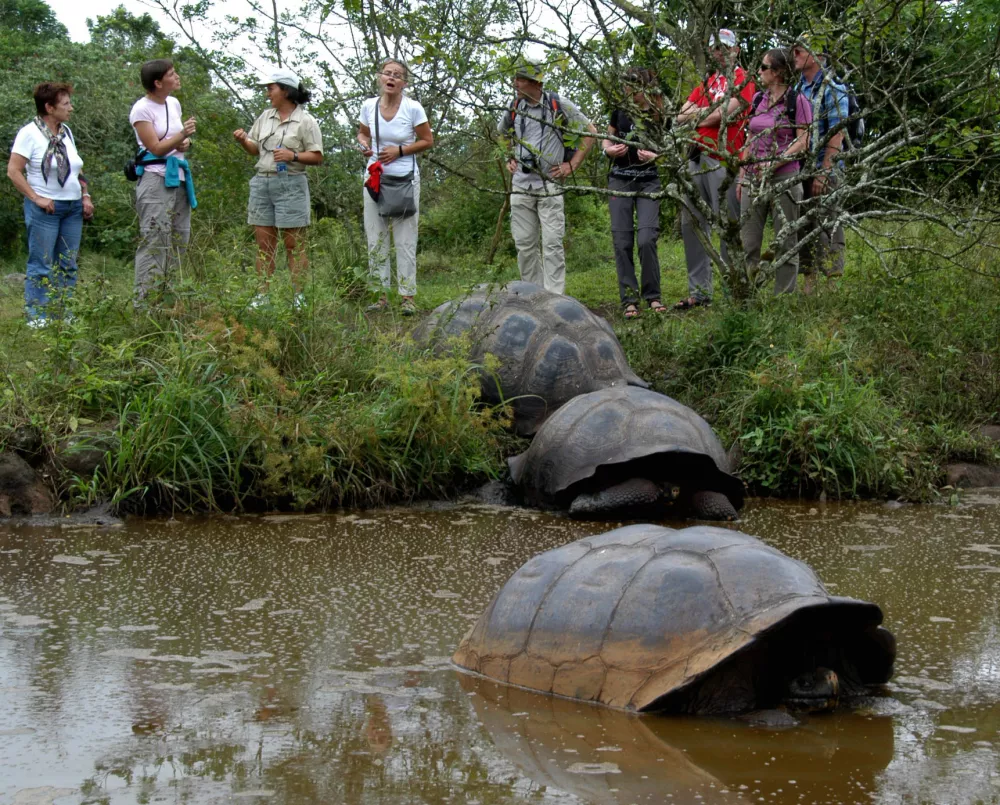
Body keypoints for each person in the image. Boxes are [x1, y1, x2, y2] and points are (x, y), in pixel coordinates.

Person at [499, 58, 597, 295]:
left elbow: (590, 132)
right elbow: (502, 135)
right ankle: (533, 296)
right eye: (516, 78)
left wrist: (572, 164)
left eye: (520, 79)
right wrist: (508, 157)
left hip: (550, 183)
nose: (515, 83)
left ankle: (554, 298)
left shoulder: (557, 104)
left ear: (535, 83)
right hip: (521, 183)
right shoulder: (514, 107)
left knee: (552, 243)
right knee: (524, 244)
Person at [674, 28, 755, 309]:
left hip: (723, 158)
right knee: (692, 224)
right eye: (715, 48)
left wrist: (700, 115)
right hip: (695, 157)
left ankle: (733, 291)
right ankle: (700, 293)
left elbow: (728, 113)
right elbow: (681, 114)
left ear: (736, 50)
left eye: (724, 47)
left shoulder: (744, 79)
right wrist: (704, 115)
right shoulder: (708, 82)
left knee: (726, 226)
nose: (719, 52)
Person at [234, 69, 324, 307]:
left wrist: (292, 155)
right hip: (262, 182)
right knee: (264, 245)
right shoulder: (265, 117)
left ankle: (299, 297)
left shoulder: (306, 121)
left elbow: (317, 157)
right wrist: (244, 140)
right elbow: (255, 149)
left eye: (271, 88)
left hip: (291, 185)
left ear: (285, 90)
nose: (267, 93)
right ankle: (262, 296)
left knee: (294, 244)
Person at [6, 82, 94, 327]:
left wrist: (85, 195)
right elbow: (13, 172)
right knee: (42, 262)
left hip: (72, 207)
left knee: (68, 262)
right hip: (45, 208)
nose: (71, 108)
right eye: (65, 104)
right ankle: (37, 315)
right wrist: (36, 198)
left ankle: (64, 312)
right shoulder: (29, 134)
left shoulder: (66, 132)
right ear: (49, 107)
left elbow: (76, 167)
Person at [357, 58, 434, 315]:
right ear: (380, 77)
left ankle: (407, 297)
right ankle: (381, 296)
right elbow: (363, 133)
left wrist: (400, 150)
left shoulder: (413, 109)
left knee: (405, 239)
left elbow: (427, 140)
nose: (391, 78)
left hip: (404, 179)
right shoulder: (369, 106)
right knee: (375, 237)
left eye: (397, 75)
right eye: (387, 73)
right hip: (374, 178)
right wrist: (363, 144)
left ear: (404, 83)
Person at [736, 49, 813, 294]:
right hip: (752, 177)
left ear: (778, 72)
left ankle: (783, 298)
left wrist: (776, 162)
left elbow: (804, 140)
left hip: (785, 176)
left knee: (786, 240)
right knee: (748, 241)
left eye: (763, 66)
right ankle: (749, 294)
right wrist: (741, 175)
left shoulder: (797, 101)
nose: (759, 71)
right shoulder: (758, 99)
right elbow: (750, 136)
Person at [129, 59, 197, 305]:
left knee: (180, 238)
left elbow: (175, 143)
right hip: (155, 178)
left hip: (177, 177)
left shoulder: (174, 103)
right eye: (171, 74)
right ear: (158, 83)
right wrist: (182, 135)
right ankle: (145, 304)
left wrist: (184, 143)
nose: (177, 76)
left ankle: (170, 301)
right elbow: (155, 147)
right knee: (155, 239)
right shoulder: (141, 110)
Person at [603, 67, 666, 318]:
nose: (630, 91)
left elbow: (669, 147)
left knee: (646, 238)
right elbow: (605, 138)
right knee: (622, 241)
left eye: (635, 86)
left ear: (646, 86)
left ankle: (653, 295)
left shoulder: (659, 112)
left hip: (649, 180)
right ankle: (629, 298)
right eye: (627, 86)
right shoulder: (619, 109)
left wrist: (656, 156)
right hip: (620, 179)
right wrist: (608, 150)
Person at [792, 33, 850, 291]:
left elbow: (838, 132)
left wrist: (825, 170)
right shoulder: (798, 89)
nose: (794, 55)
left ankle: (832, 284)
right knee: (805, 225)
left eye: (799, 51)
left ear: (816, 55)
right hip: (802, 169)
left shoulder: (832, 87)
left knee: (828, 223)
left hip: (825, 167)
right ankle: (809, 281)